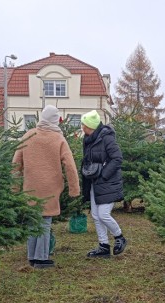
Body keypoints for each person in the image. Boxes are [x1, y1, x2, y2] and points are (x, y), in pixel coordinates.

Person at [12, 105, 80, 268]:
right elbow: (69, 165)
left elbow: (15, 164)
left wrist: (13, 188)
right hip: (50, 187)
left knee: (32, 221)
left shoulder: (28, 135)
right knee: (45, 221)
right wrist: (74, 189)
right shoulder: (58, 139)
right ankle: (41, 258)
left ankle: (32, 255)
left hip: (30, 186)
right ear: (55, 120)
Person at [80, 110, 127, 258]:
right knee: (95, 215)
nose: (82, 127)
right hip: (94, 182)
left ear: (91, 126)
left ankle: (120, 237)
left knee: (103, 214)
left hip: (108, 182)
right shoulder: (88, 140)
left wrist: (104, 174)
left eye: (84, 124)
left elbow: (117, 159)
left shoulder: (107, 139)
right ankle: (103, 246)